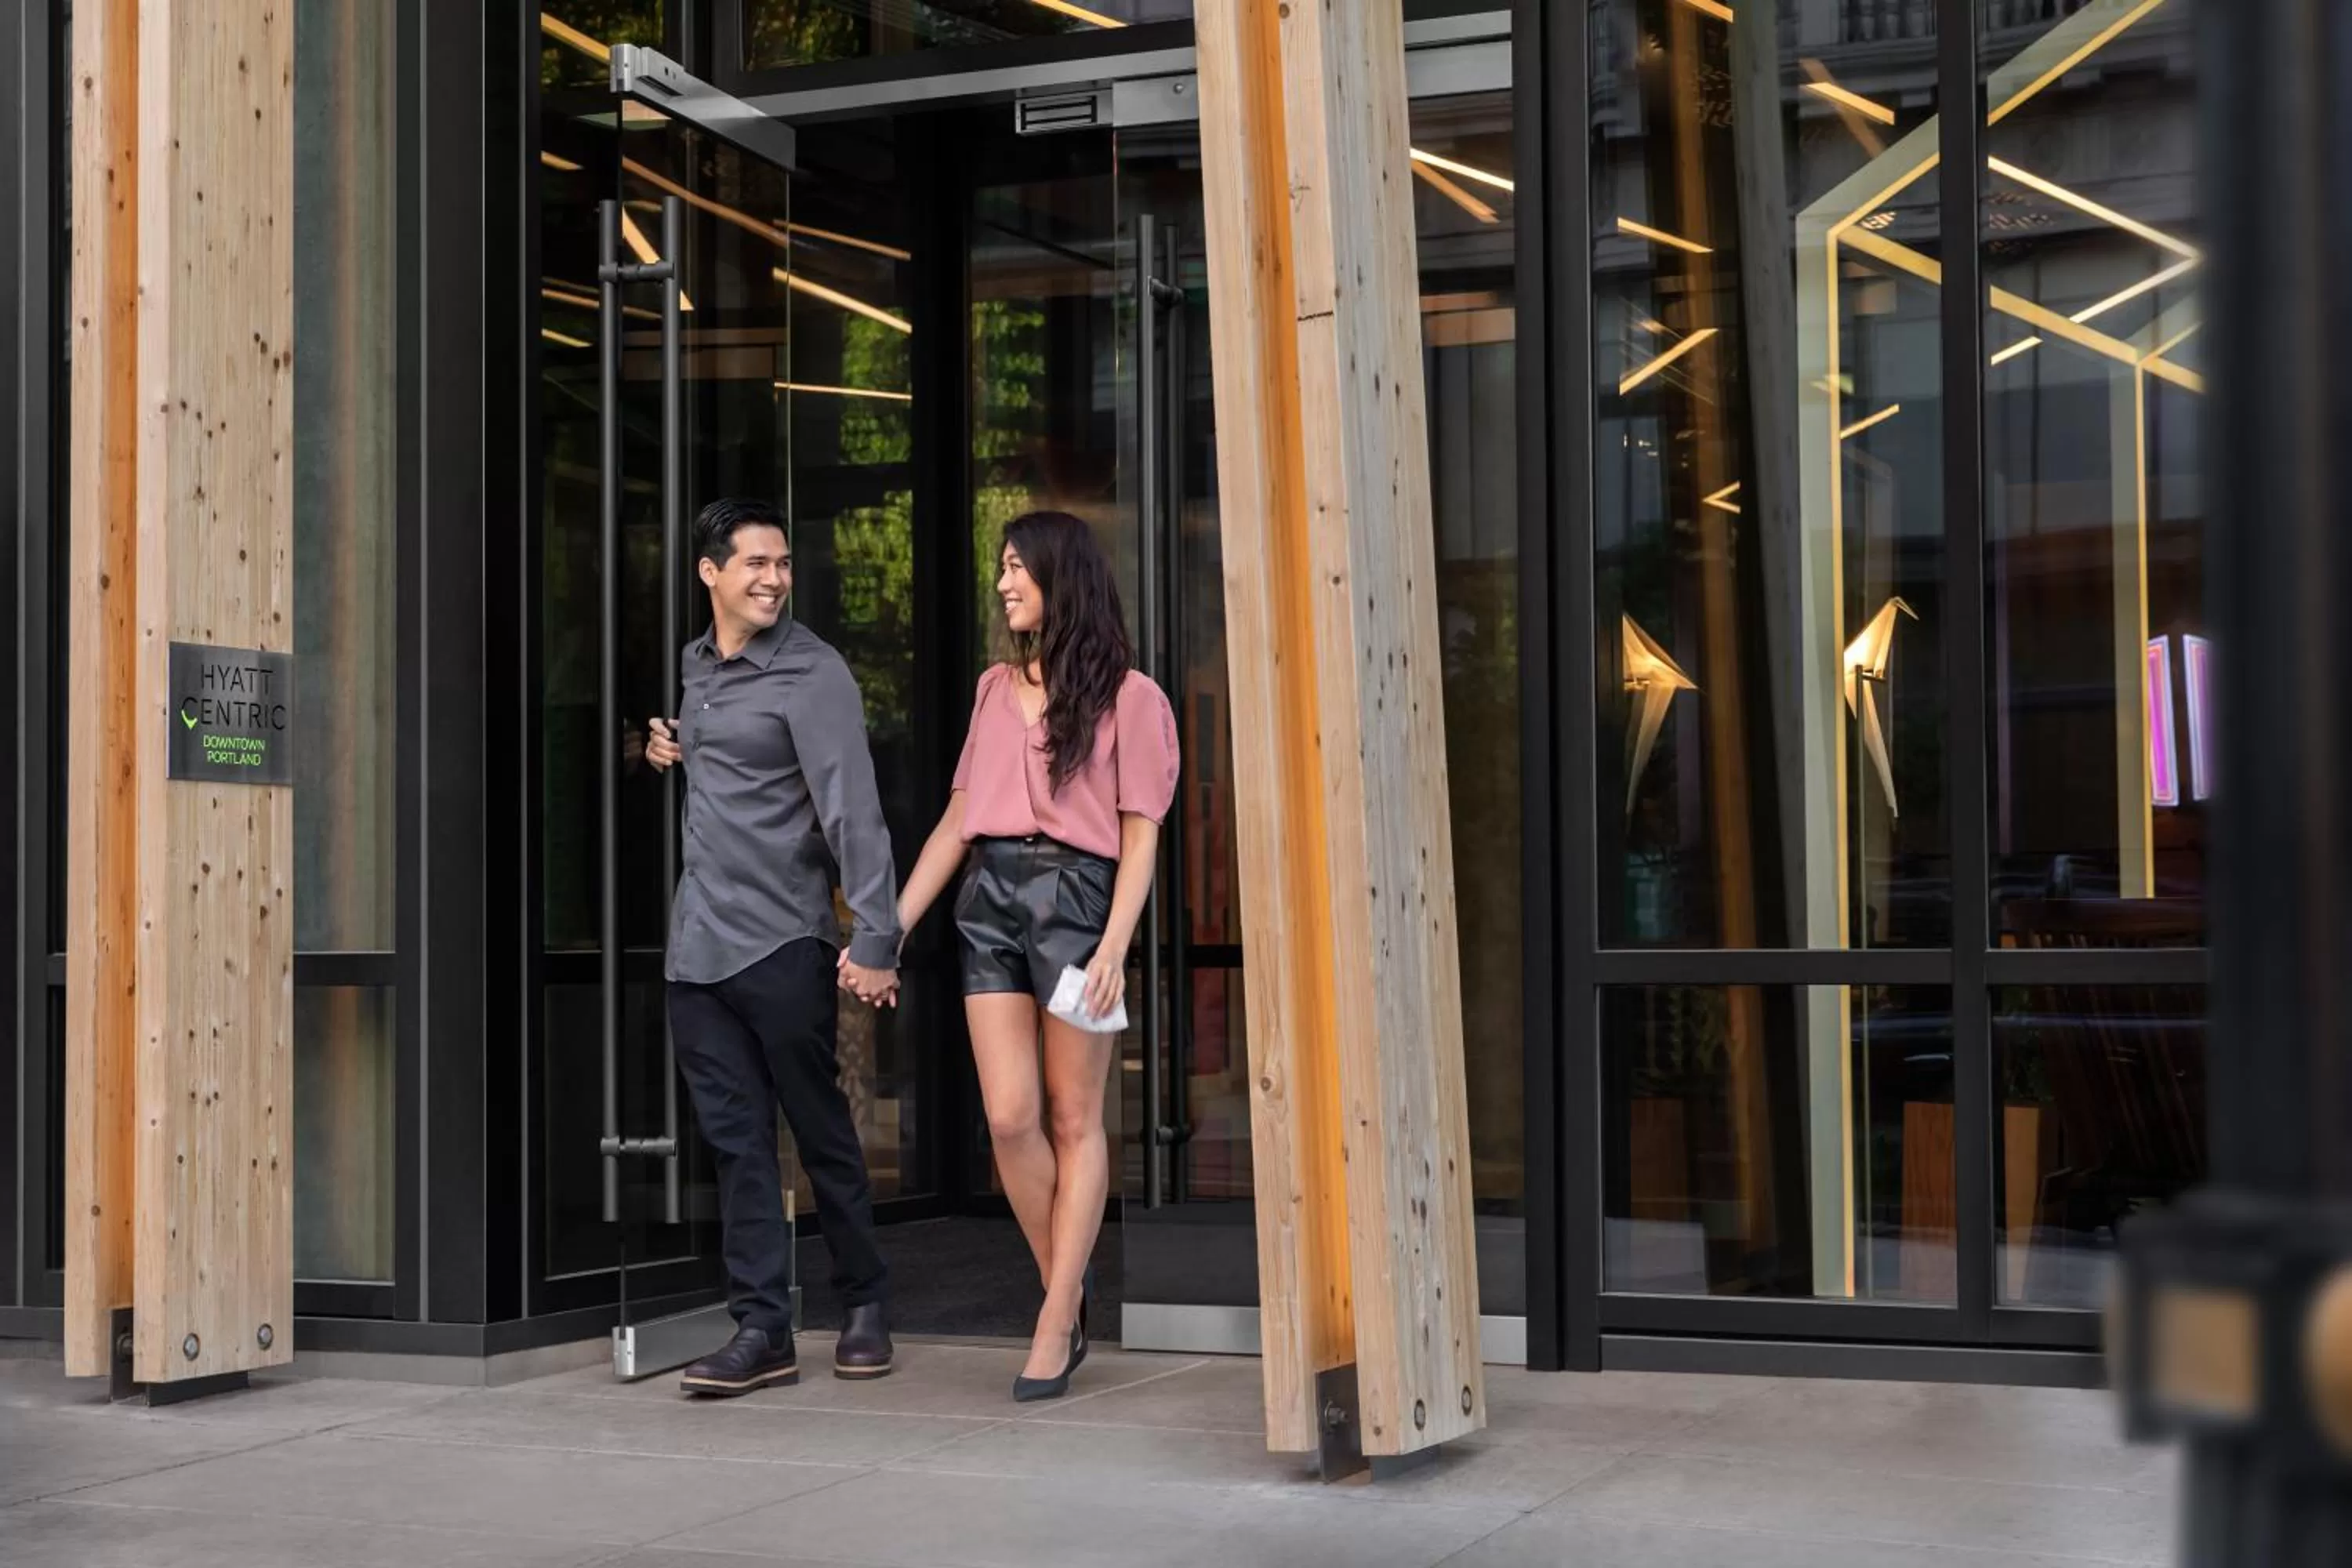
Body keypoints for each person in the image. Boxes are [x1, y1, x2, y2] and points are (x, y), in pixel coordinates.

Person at [889, 510, 1178, 1402]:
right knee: (1009, 1117)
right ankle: (1069, 1280)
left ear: (1063, 576)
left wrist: (1116, 945)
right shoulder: (989, 688)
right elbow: (954, 821)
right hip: (989, 899)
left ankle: (1054, 1319)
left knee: (1072, 1116)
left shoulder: (1133, 696)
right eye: (1002, 569)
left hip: (1080, 902)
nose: (1005, 583)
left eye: (1019, 567)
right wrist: (888, 925)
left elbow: (1139, 838)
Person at [644, 496, 902, 1397]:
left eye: (783, 562)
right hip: (698, 952)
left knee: (819, 1125)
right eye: (754, 562)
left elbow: (852, 811)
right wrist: (664, 746)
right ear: (710, 573)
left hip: (785, 940)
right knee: (735, 1142)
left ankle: (865, 1298)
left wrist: (877, 933)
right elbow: (712, 756)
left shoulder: (812, 672)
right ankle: (763, 1327)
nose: (773, 577)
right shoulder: (696, 666)